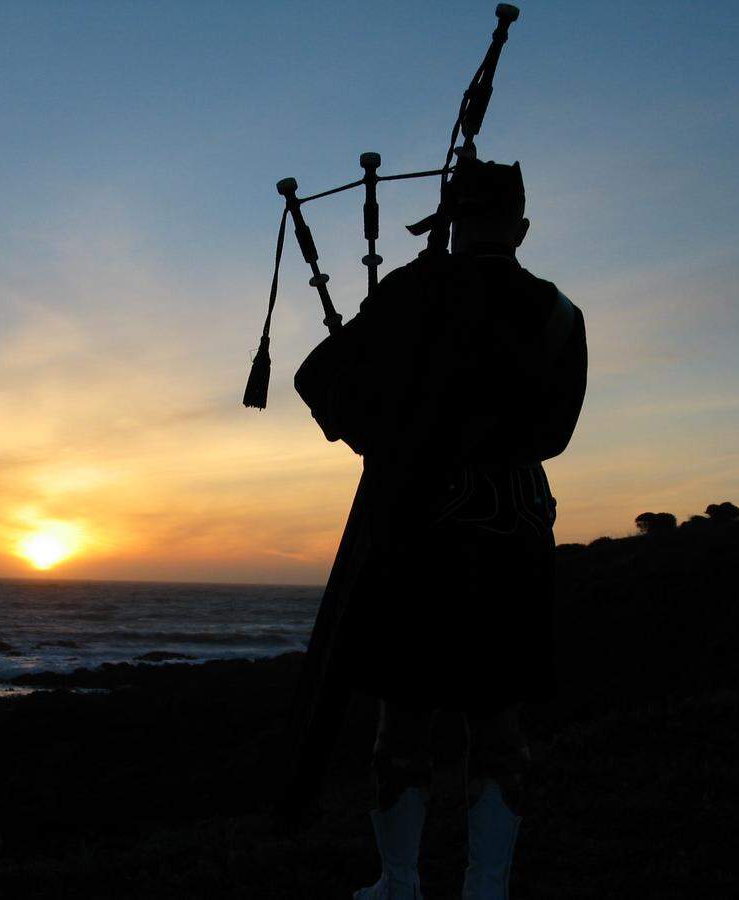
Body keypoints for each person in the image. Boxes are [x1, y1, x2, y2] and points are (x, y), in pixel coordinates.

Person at [296, 158, 587, 899]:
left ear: (452, 226)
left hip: (416, 535)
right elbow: (555, 436)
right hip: (515, 535)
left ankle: (399, 883)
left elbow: (318, 378)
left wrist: (383, 438)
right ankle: (485, 888)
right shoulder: (561, 314)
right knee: (499, 723)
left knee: (404, 721)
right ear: (520, 227)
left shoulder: (411, 292)